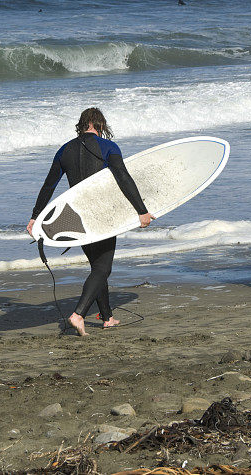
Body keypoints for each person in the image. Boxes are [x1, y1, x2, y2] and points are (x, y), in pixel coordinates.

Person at [27, 108, 155, 336]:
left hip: (77, 218)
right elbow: (124, 178)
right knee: (103, 268)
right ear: (100, 125)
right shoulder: (109, 148)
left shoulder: (64, 150)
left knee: (97, 266)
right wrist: (141, 210)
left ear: (81, 124)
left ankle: (107, 317)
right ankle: (78, 314)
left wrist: (35, 217)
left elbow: (49, 186)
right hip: (103, 216)